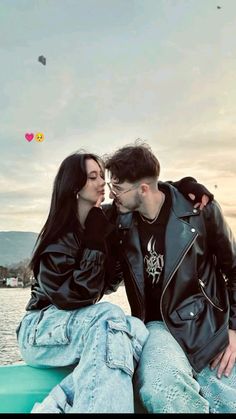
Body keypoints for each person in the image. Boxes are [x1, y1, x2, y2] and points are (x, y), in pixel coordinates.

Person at [104, 142, 236, 414]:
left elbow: (234, 269)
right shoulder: (118, 221)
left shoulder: (201, 210)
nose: (111, 194)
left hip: (208, 325)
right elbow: (107, 282)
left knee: (228, 399)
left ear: (142, 189)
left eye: (117, 187)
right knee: (161, 387)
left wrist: (234, 329)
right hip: (156, 326)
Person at [16, 151, 149, 413]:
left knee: (138, 330)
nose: (102, 182)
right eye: (93, 177)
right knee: (110, 317)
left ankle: (54, 407)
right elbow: (75, 297)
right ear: (75, 187)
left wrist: (184, 187)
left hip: (77, 328)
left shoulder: (101, 221)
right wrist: (95, 241)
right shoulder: (59, 238)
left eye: (102, 175)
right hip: (40, 329)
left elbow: (144, 188)